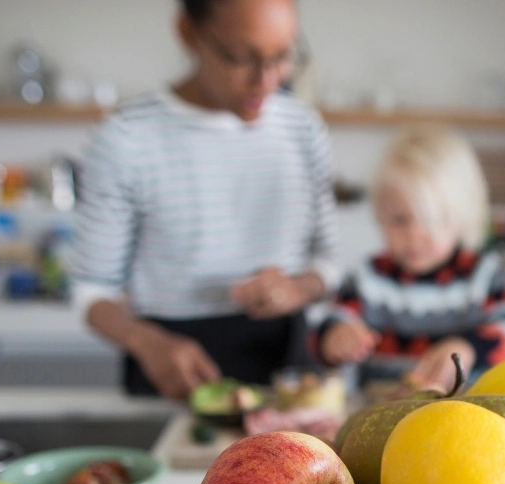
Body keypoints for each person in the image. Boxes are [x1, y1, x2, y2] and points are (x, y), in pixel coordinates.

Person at [70, 0, 342, 398]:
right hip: (170, 366)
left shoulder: (302, 128)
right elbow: (92, 292)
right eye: (240, 57)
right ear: (188, 34)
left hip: (286, 368)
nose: (266, 79)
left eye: (283, 56)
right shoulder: (127, 137)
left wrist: (298, 288)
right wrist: (145, 342)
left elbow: (328, 263)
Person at [315, 127, 505, 392]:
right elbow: (327, 326)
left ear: (462, 217)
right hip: (380, 419)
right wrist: (334, 337)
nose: (414, 235)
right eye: (399, 220)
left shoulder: (484, 275)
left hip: (463, 419)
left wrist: (469, 348)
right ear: (380, 216)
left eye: (431, 221)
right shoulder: (367, 277)